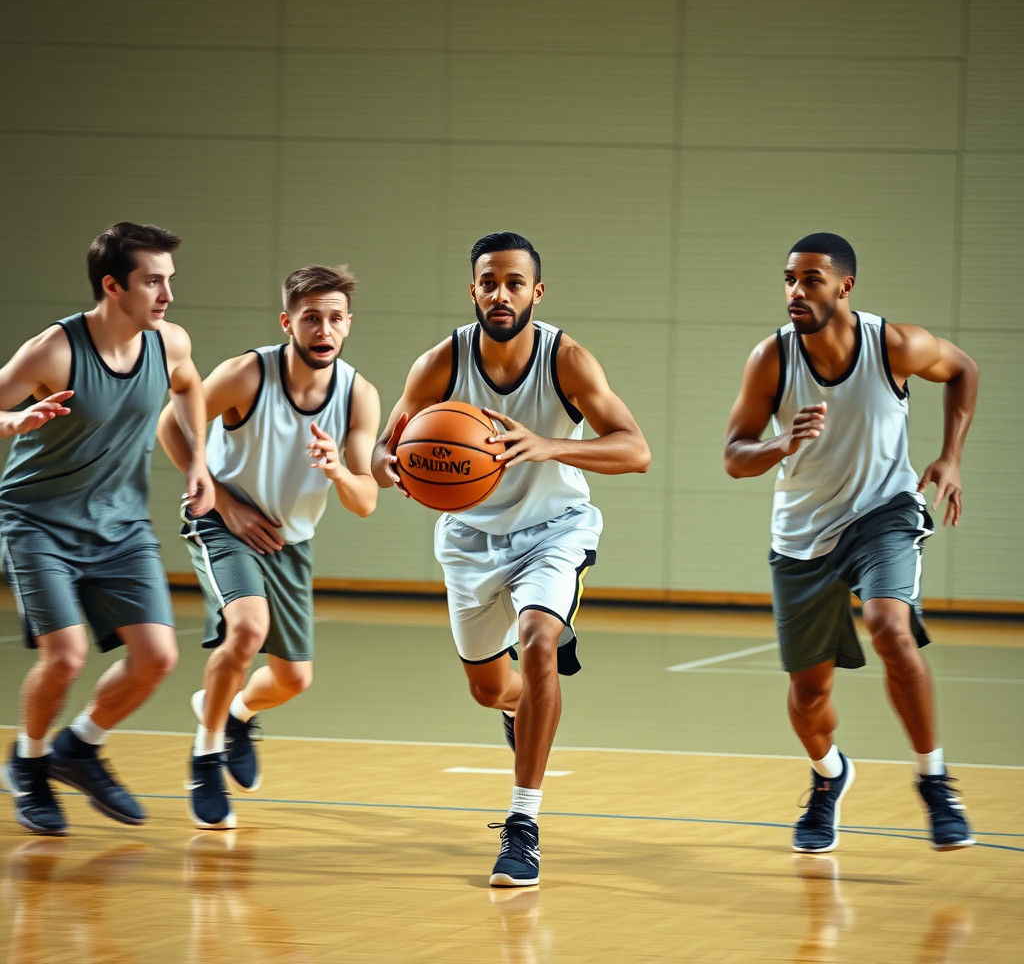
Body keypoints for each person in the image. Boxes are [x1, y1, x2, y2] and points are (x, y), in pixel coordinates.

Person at [372, 231, 650, 886]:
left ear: (536, 292)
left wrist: (549, 447)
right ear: (473, 289)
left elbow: (635, 450)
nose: (501, 294)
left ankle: (522, 825)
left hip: (554, 530)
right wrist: (404, 471)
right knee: (490, 688)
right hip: (469, 539)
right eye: (489, 282)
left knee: (538, 639)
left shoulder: (567, 360)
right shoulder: (440, 362)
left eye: (514, 283)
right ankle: (518, 710)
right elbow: (386, 454)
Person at [724, 232, 979, 853]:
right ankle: (829, 776)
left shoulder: (894, 344)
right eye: (789, 278)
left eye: (811, 279)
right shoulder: (772, 359)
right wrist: (780, 446)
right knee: (810, 697)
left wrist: (950, 457)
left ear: (845, 286)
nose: (796, 290)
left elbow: (963, 369)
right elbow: (734, 456)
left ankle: (935, 781)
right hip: (803, 534)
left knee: (890, 628)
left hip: (882, 512)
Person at [0, 221, 214, 836]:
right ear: (113, 286)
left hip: (120, 524)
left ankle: (80, 748)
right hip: (38, 521)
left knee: (158, 657)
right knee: (64, 658)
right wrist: (12, 425)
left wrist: (197, 459)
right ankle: (31, 763)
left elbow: (189, 386)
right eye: (153, 281)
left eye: (170, 280)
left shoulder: (169, 342)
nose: (167, 293)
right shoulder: (55, 350)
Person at [158, 264, 379, 829]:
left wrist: (337, 471)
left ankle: (233, 714)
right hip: (223, 522)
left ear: (348, 325)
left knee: (293, 679)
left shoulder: (358, 396)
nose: (322, 329)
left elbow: (365, 501)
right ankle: (205, 756)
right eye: (311, 318)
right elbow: (170, 424)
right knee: (248, 629)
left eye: (334, 319)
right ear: (288, 322)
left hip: (289, 539)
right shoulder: (246, 375)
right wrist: (222, 501)